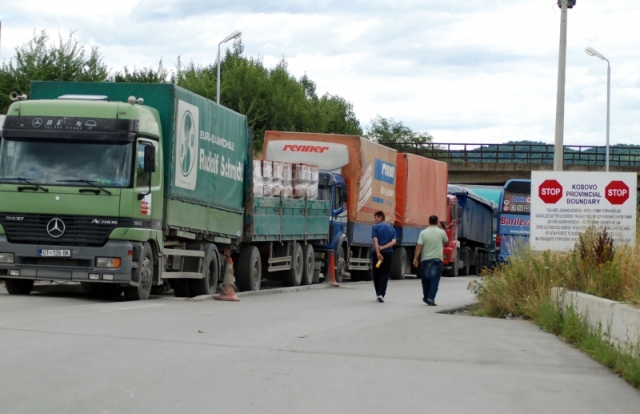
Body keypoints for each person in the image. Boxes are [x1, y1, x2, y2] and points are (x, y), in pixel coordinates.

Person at [413, 215, 448, 306]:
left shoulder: (423, 233)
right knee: (434, 280)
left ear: (428, 222)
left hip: (426, 259)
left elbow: (419, 245)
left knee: (426, 280)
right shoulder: (441, 232)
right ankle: (431, 298)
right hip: (437, 259)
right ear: (437, 222)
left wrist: (415, 258)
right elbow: (446, 241)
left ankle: (426, 297)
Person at [371, 211, 396, 303]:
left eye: (376, 218)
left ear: (380, 217)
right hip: (388, 253)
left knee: (376, 274)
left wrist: (378, 252)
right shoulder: (392, 228)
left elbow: (375, 241)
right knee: (385, 274)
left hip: (376, 254)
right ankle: (381, 294)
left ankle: (378, 293)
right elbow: (393, 242)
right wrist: (384, 247)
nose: (375, 220)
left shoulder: (375, 227)